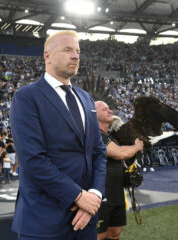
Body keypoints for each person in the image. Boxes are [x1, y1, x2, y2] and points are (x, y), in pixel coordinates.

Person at [10, 30, 107, 240]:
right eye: (67, 50)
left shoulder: (86, 98)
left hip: (86, 220)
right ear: (47, 55)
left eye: (78, 51)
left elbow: (98, 152)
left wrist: (95, 196)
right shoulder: (26, 97)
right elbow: (33, 159)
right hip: (43, 221)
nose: (75, 56)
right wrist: (78, 196)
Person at [95, 101, 144, 240]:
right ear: (93, 114)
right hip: (100, 194)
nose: (110, 111)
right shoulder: (95, 135)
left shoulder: (112, 137)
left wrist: (128, 174)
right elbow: (119, 153)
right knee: (99, 236)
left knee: (114, 234)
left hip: (116, 193)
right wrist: (136, 147)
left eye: (109, 108)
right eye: (105, 109)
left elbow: (121, 160)